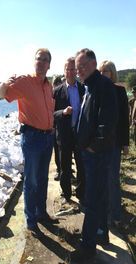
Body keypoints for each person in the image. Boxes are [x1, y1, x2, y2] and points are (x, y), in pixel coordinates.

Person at [0, 48, 57, 238]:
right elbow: (1, 94)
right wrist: (4, 82)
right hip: (32, 138)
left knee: (42, 178)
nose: (41, 62)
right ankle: (31, 221)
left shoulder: (49, 86)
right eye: (39, 58)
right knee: (31, 181)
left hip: (47, 137)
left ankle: (41, 213)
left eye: (45, 59)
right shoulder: (25, 81)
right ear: (35, 61)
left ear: (49, 64)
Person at [70, 48, 118, 264]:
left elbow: (106, 124)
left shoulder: (103, 86)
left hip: (97, 155)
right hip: (90, 153)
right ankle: (102, 235)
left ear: (93, 64)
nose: (78, 71)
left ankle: (87, 247)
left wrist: (92, 148)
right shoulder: (90, 86)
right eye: (77, 67)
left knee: (92, 201)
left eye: (81, 66)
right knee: (98, 197)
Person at [98, 60, 129, 228]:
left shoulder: (119, 91)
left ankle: (116, 215)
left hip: (115, 143)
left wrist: (125, 143)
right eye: (101, 71)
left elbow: (124, 119)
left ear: (113, 73)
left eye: (107, 71)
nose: (103, 74)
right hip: (98, 145)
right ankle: (105, 211)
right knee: (101, 180)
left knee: (113, 179)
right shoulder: (96, 91)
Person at [53, 57, 85, 204]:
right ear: (64, 71)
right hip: (64, 135)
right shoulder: (57, 91)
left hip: (80, 135)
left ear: (77, 71)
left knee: (81, 166)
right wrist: (63, 113)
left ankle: (81, 193)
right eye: (68, 69)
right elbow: (51, 114)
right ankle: (66, 194)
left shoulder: (83, 89)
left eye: (73, 69)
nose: (70, 72)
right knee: (65, 168)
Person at [52, 75, 63, 181]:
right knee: (57, 150)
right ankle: (59, 170)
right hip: (55, 126)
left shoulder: (63, 92)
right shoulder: (53, 93)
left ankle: (62, 171)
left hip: (62, 126)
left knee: (61, 151)